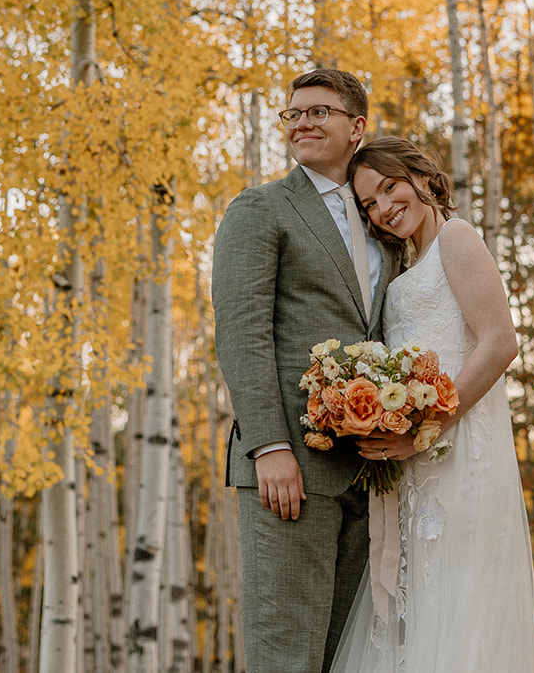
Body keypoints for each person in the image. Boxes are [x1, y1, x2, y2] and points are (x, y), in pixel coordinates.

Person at [328, 136, 534, 672]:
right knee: (421, 606)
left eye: (390, 188)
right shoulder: (406, 267)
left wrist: (422, 430)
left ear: (422, 178)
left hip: (459, 449)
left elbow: (500, 342)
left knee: (462, 602)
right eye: (369, 204)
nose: (383, 208)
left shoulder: (457, 236)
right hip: (414, 468)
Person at [212, 68, 399, 673]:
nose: (302, 123)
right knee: (286, 655)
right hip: (288, 471)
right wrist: (268, 445)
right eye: (293, 114)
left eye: (319, 112)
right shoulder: (260, 209)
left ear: (357, 126)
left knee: (348, 659)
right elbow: (242, 332)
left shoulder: (383, 222)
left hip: (369, 474)